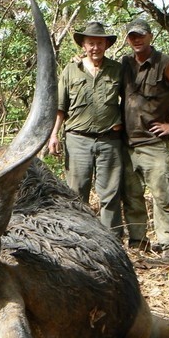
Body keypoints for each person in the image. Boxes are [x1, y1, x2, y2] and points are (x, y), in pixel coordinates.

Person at [121, 17, 169, 265]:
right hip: (127, 144)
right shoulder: (124, 64)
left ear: (150, 36)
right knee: (132, 195)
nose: (137, 39)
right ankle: (138, 244)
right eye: (132, 36)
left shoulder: (166, 64)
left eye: (141, 35)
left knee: (163, 195)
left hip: (153, 144)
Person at [48, 21, 123, 236]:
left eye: (99, 43)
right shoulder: (71, 70)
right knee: (76, 192)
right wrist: (53, 135)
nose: (95, 48)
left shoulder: (118, 70)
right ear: (83, 45)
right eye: (91, 43)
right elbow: (60, 107)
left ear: (106, 45)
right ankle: (78, 237)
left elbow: (130, 101)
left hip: (109, 140)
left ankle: (113, 240)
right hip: (77, 140)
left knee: (110, 193)